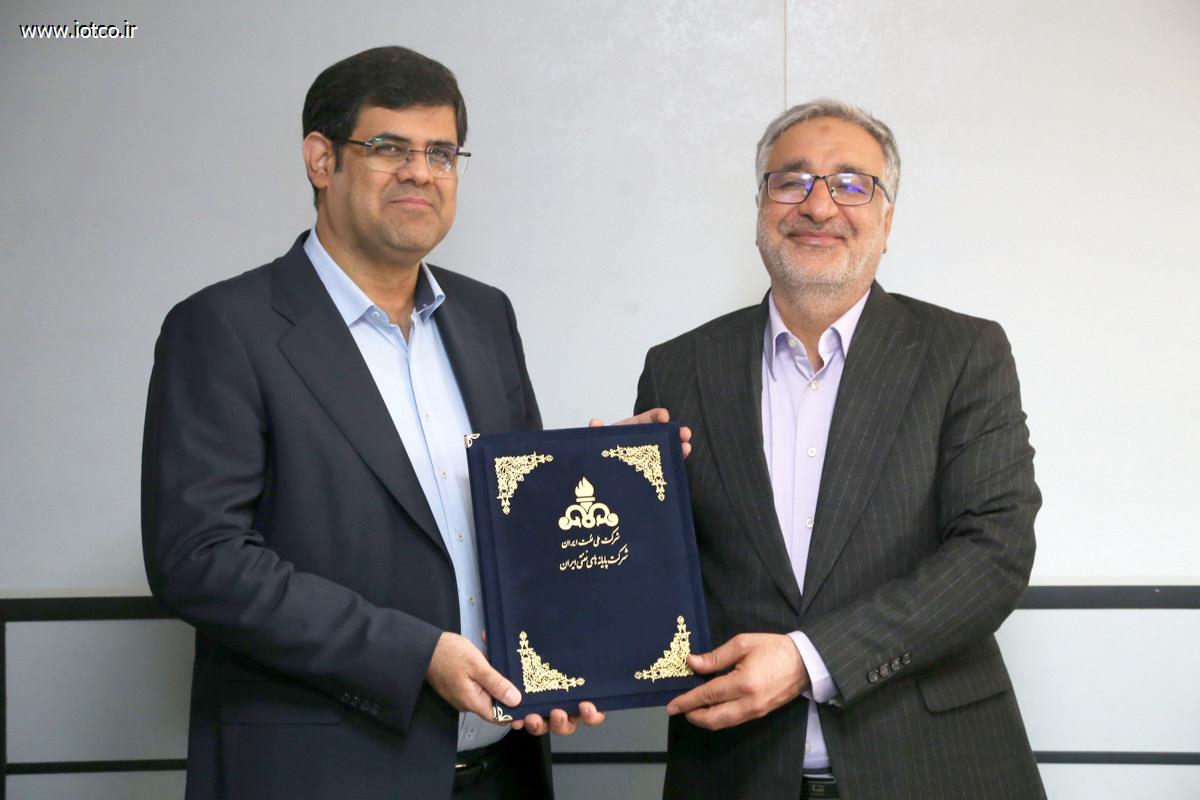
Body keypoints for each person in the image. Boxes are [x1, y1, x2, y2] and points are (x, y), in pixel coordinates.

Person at [141, 46, 615, 799]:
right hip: (326, 774)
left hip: (504, 771)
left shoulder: (486, 316)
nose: (420, 173)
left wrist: (613, 474)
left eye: (441, 153)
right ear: (321, 160)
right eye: (389, 147)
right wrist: (416, 654)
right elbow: (199, 559)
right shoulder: (225, 328)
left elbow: (516, 521)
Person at [635, 99, 1045, 799]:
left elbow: (994, 553)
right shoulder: (678, 367)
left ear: (887, 219)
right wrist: (618, 497)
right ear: (760, 208)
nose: (818, 205)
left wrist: (808, 659)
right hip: (734, 772)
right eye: (791, 180)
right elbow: (660, 577)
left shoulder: (963, 353)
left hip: (934, 768)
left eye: (852, 183)